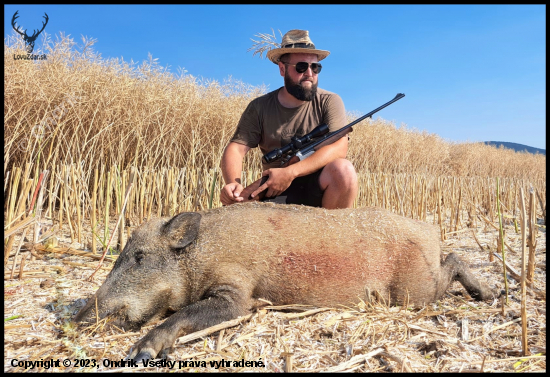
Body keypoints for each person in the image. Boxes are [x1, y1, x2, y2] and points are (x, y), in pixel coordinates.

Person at [220, 29, 358, 209]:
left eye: (315, 67)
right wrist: (233, 183)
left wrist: (291, 172)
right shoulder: (259, 106)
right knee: (237, 203)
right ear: (282, 68)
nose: (310, 73)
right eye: (301, 67)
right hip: (273, 185)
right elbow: (236, 148)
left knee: (344, 171)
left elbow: (339, 148)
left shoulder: (330, 101)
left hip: (317, 183)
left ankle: (333, 234)